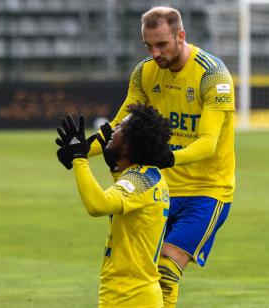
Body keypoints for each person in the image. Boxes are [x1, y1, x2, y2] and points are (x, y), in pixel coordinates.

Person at [88, 6, 236, 307]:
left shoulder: (212, 75)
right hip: (162, 190)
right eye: (148, 45)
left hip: (207, 190)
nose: (154, 53)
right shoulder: (145, 72)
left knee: (167, 270)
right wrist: (80, 150)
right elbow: (118, 127)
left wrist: (167, 157)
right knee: (148, 272)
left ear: (181, 36)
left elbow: (208, 143)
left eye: (161, 44)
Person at [55, 103, 172, 308]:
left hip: (130, 297)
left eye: (120, 128)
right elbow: (128, 207)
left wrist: (79, 158)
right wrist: (116, 167)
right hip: (131, 294)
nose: (113, 129)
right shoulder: (148, 176)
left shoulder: (140, 180)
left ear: (130, 144)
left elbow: (97, 205)